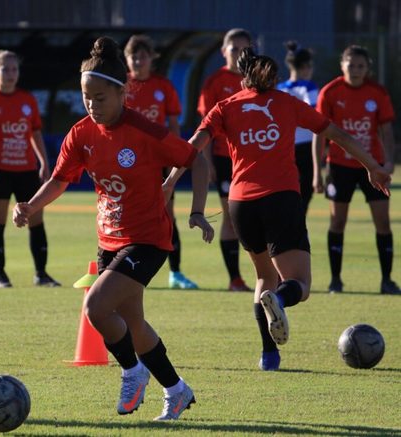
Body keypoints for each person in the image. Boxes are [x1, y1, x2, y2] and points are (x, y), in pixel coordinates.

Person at [13, 37, 214, 420]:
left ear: (122, 93)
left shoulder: (144, 131)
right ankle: (177, 390)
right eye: (86, 97)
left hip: (148, 239)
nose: (92, 105)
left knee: (96, 307)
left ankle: (132, 372)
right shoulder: (81, 134)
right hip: (109, 239)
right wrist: (30, 207)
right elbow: (59, 180)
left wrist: (197, 211)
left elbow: (196, 161)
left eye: (100, 97)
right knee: (133, 324)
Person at [166, 47, 390, 371]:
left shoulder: (226, 106)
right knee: (299, 283)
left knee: (263, 278)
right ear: (275, 78)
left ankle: (269, 356)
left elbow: (191, 148)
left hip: (240, 204)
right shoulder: (287, 103)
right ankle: (281, 301)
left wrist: (170, 183)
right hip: (280, 199)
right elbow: (336, 134)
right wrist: (372, 165)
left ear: (243, 78)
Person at [313, 45, 399, 295]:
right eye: (351, 65)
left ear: (367, 68)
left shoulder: (377, 93)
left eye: (361, 66)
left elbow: (387, 131)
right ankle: (335, 281)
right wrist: (318, 170)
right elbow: (320, 133)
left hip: (372, 166)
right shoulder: (330, 92)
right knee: (337, 221)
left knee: (382, 221)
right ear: (342, 66)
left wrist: (389, 160)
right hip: (340, 166)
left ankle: (387, 280)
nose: (356, 70)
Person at [0, 50, 60, 288]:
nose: (10, 74)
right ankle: (0, 276)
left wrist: (44, 162)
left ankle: (41, 274)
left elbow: (35, 133)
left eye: (14, 69)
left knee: (36, 219)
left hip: (26, 170)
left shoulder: (27, 100)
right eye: (5, 69)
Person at [123, 34, 198, 290]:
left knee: (166, 216)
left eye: (142, 56)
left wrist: (173, 156)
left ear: (151, 59)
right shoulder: (122, 87)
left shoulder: (163, 86)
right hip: (127, 164)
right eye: (133, 56)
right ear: (126, 59)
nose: (138, 60)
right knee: (126, 216)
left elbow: (174, 125)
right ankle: (124, 270)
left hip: (158, 163)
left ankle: (175, 273)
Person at [197, 28, 253, 292]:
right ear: (224, 51)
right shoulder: (214, 82)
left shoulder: (257, 78)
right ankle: (235, 279)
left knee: (260, 217)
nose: (239, 54)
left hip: (254, 159)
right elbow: (205, 126)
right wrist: (206, 162)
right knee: (232, 217)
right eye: (234, 49)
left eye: (244, 49)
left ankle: (270, 275)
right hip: (223, 159)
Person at [277, 41, 319, 215]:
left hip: (283, 146)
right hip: (306, 146)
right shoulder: (308, 87)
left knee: (286, 190)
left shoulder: (278, 89)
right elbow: (315, 116)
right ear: (305, 67)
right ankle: (298, 230)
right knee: (304, 193)